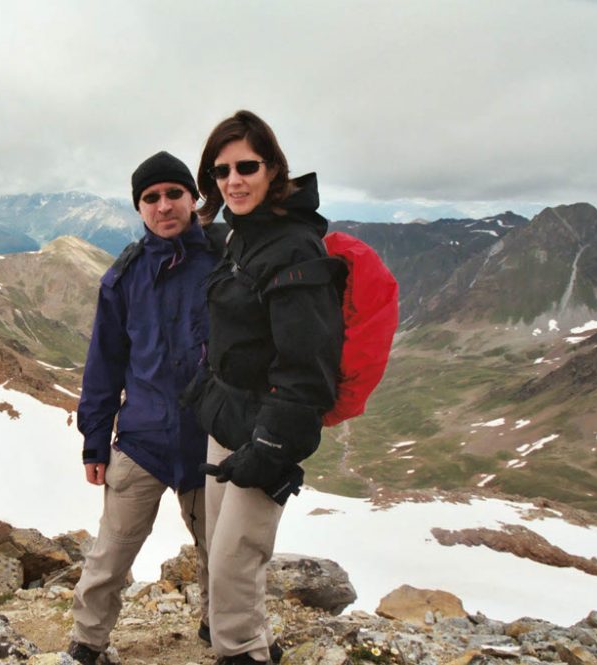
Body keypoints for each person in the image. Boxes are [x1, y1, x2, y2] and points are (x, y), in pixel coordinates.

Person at [189, 110, 345, 665]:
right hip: (226, 421)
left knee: (235, 559)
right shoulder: (241, 237)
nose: (233, 181)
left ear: (274, 168)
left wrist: (272, 448)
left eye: (246, 166)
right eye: (221, 170)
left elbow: (308, 371)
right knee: (222, 553)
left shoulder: (295, 249)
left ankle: (243, 655)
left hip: (265, 433)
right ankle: (248, 645)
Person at [69, 151, 219, 664]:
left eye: (173, 193)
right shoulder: (123, 276)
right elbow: (104, 364)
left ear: (193, 198)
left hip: (212, 437)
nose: (163, 205)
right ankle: (87, 645)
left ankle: (220, 633)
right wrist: (94, 439)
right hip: (142, 439)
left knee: (221, 553)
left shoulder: (226, 260)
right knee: (110, 554)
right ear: (139, 208)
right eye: (150, 198)